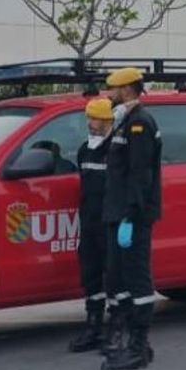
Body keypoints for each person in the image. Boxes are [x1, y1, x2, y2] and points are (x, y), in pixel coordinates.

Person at [100, 66, 163, 370]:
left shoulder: (140, 124)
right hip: (117, 213)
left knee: (137, 279)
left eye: (113, 89)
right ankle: (127, 338)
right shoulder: (124, 122)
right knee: (117, 277)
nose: (109, 94)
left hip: (132, 216)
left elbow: (140, 174)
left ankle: (139, 347)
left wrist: (130, 214)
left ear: (126, 90)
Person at [66, 97, 116, 353]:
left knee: (115, 276)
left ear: (108, 121)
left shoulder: (115, 150)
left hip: (110, 223)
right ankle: (94, 325)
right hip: (89, 223)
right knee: (91, 273)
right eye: (89, 118)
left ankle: (117, 328)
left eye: (95, 119)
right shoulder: (85, 150)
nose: (90, 123)